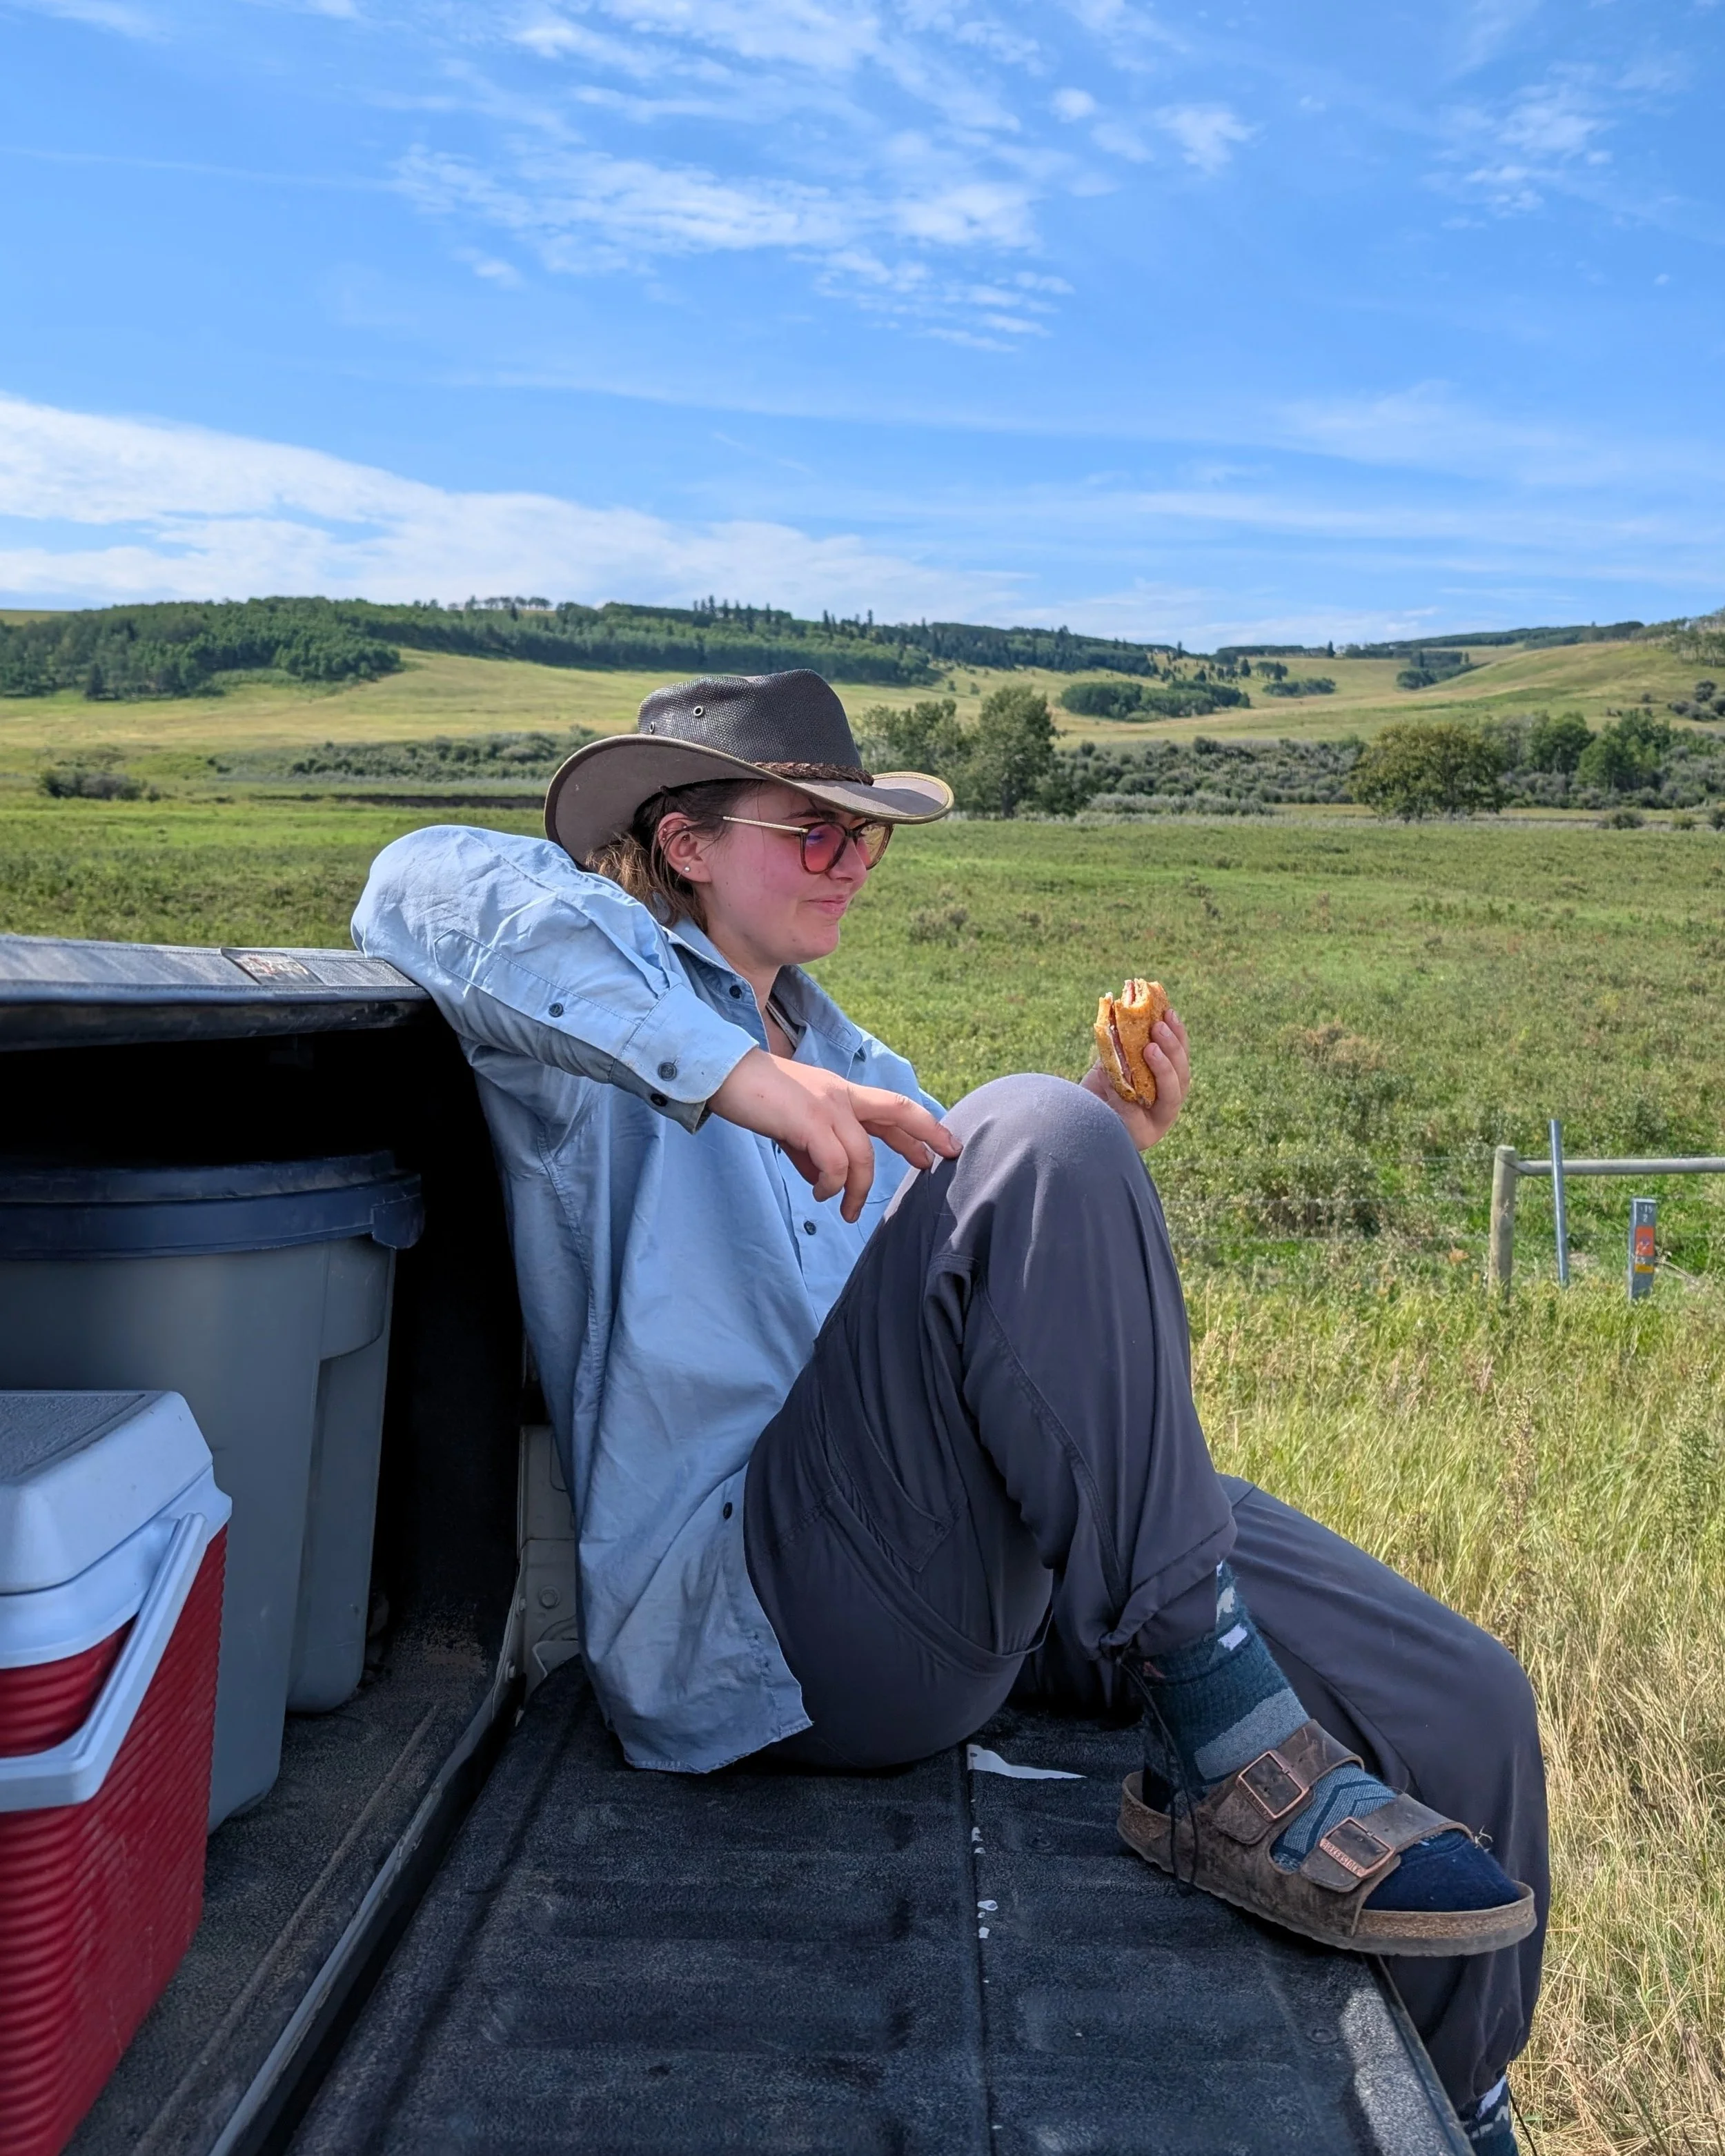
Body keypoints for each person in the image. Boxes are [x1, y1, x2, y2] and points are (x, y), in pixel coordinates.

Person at [354, 669, 1546, 2156]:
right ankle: (1234, 1755)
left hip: (926, 1568)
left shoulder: (862, 1072)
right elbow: (414, 886)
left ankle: (1468, 2105)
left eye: (866, 834)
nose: (852, 859)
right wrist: (736, 1075)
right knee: (1030, 1121)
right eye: (812, 828)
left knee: (1461, 1697)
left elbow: (971, 1329)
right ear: (684, 843)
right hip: (759, 1617)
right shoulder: (590, 1037)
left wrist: (1102, 1150)